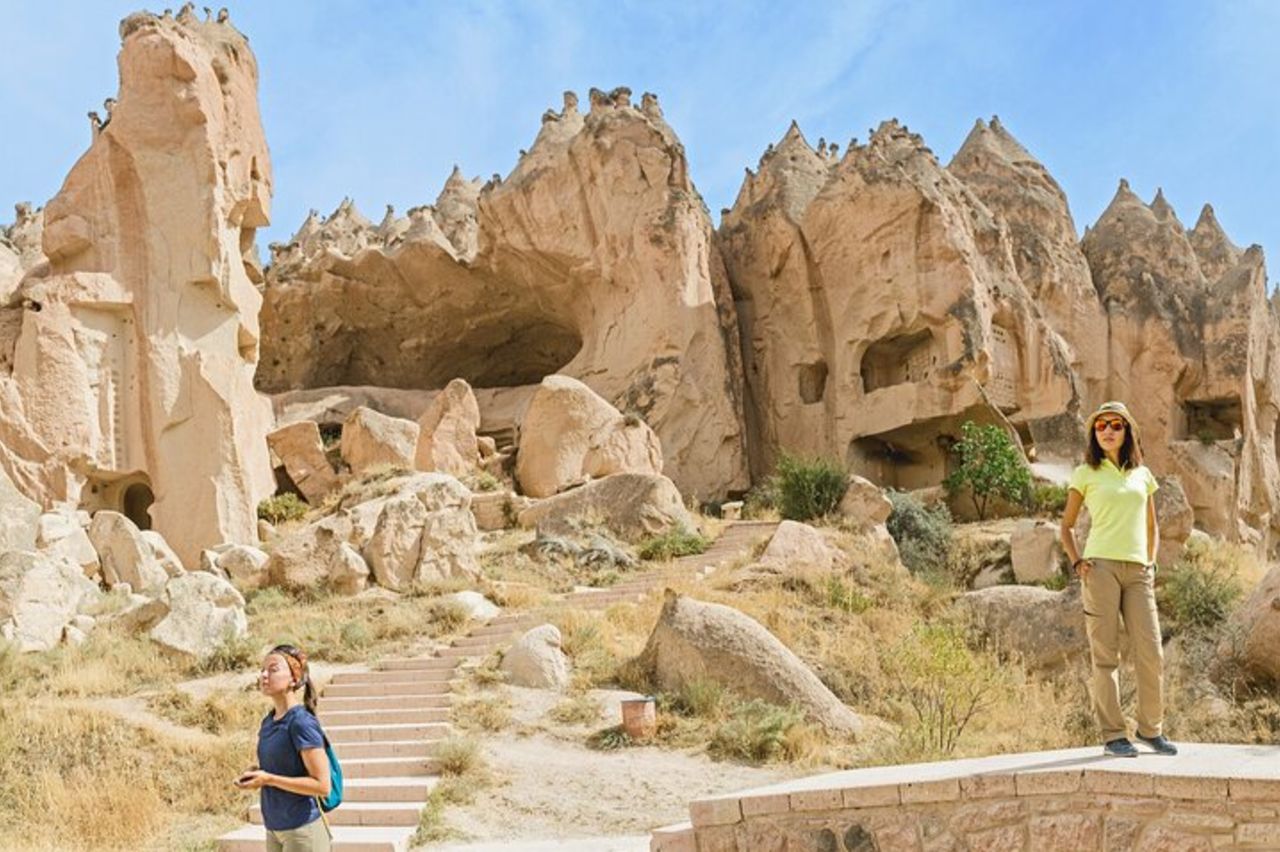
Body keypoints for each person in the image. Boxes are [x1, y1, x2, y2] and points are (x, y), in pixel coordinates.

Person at [1059, 401, 1176, 758]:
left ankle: (1149, 729)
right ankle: (1113, 735)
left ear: (1127, 431)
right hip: (1101, 569)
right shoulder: (1086, 473)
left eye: (1116, 424)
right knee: (1105, 655)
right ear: (1094, 434)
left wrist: (1152, 563)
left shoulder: (1143, 475)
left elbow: (1153, 526)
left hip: (1139, 571)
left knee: (1151, 652)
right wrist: (1077, 560)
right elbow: (1065, 526)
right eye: (1101, 426)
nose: (1108, 430)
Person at [235, 644, 333, 851]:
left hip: (303, 830)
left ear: (294, 679)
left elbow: (322, 785)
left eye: (273, 669)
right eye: (262, 669)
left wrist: (269, 779)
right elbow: (281, 766)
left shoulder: (301, 723)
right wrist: (255, 774)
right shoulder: (268, 721)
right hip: (274, 828)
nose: (263, 675)